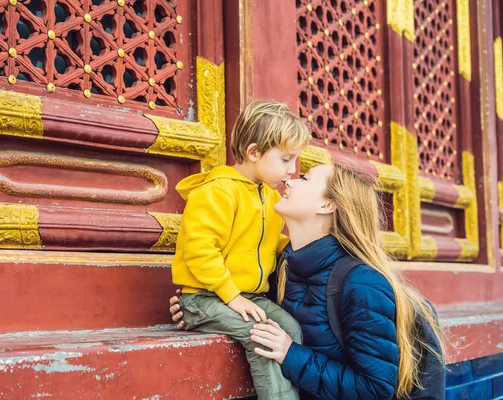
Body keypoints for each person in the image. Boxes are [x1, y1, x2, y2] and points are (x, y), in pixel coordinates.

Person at [171, 163, 446, 399]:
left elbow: (374, 388)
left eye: (305, 178)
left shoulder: (362, 284)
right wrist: (202, 305)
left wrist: (291, 354)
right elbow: (245, 305)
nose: (289, 179)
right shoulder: (277, 269)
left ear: (326, 205)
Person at [171, 100, 311, 400]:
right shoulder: (219, 191)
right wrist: (231, 295)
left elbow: (272, 245)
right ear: (253, 152)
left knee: (292, 330)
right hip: (204, 298)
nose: (292, 170)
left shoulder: (270, 198)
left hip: (247, 297)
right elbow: (200, 249)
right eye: (286, 160)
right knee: (261, 335)